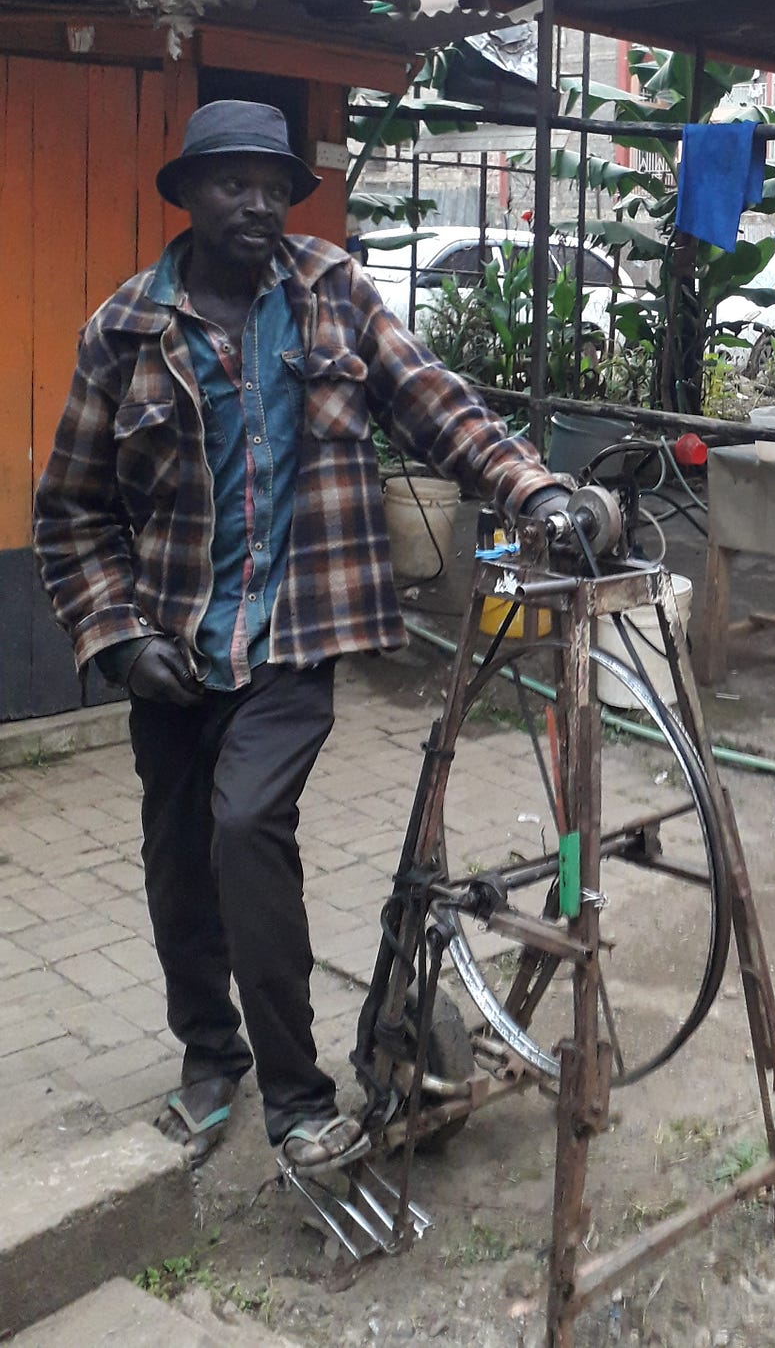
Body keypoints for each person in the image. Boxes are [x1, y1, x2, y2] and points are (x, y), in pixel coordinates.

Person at [34, 101, 568, 1175]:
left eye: (275, 183)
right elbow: (71, 512)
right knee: (179, 862)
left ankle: (295, 1097)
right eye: (233, 181)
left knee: (245, 832)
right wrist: (117, 638)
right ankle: (208, 1059)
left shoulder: (332, 295)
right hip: (173, 647)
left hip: (294, 636)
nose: (259, 202)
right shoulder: (126, 330)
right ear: (185, 194)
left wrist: (533, 489)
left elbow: (437, 407)